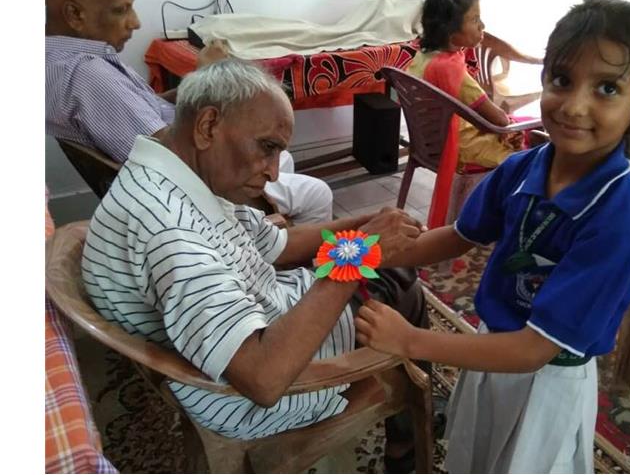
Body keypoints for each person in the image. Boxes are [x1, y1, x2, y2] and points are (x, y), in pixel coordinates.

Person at [355, 0, 630, 473]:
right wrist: (365, 252)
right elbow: (457, 236)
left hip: (544, 380)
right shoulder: (523, 167)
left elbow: (532, 350)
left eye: (607, 89)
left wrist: (410, 340)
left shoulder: (619, 220)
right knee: (472, 456)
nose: (575, 106)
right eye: (562, 80)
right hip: (488, 352)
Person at [81, 59, 431, 466]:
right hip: (257, 390)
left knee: (386, 267)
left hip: (257, 321)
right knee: (400, 286)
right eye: (267, 147)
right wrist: (359, 251)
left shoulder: (175, 175)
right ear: (208, 126)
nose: (272, 172)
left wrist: (363, 226)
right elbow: (264, 379)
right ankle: (407, 439)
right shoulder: (170, 231)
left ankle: (406, 406)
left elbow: (279, 245)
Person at [45, 0, 333, 224]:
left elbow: (146, 107)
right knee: (317, 193)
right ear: (75, 15)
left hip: (170, 178)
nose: (135, 22)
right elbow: (172, 154)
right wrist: (208, 76)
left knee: (281, 158)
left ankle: (266, 229)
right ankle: (289, 261)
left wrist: (195, 80)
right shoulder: (88, 75)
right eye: (121, 10)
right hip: (194, 187)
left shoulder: (61, 61)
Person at [407, 0, 527, 228]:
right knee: (533, 145)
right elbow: (499, 120)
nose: (482, 26)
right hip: (461, 147)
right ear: (452, 33)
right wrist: (511, 128)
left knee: (521, 126)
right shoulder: (450, 68)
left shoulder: (423, 56)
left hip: (432, 143)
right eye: (475, 19)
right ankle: (507, 223)